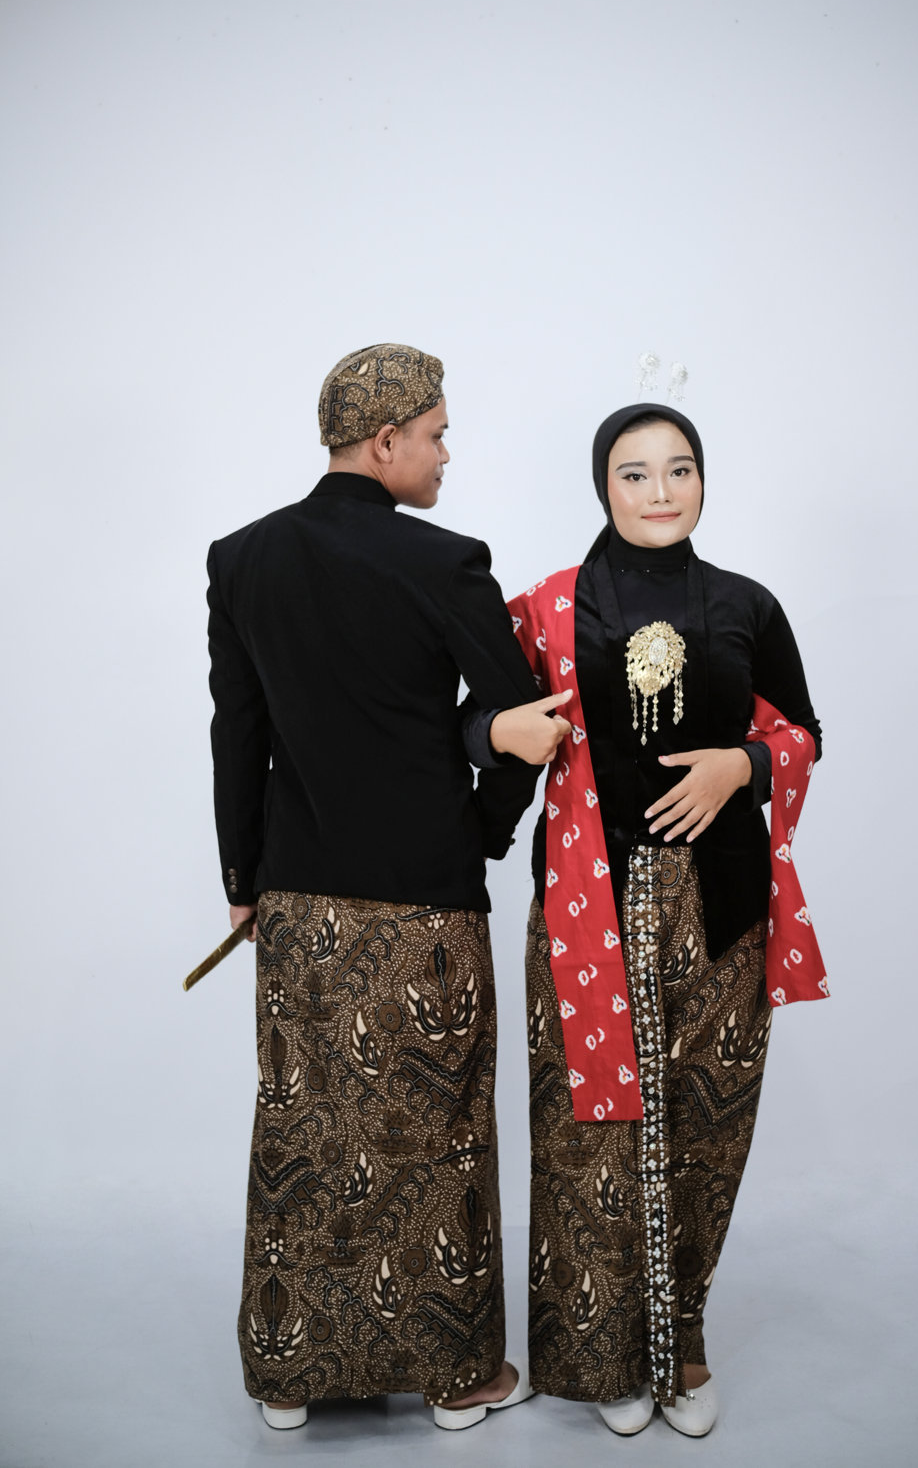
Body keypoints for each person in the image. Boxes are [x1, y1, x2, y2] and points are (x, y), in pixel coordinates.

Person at [206, 343, 568, 1432]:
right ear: (386, 439)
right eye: (438, 434)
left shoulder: (241, 557)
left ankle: (289, 1376)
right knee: (437, 1130)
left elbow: (239, 734)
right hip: (425, 901)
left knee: (302, 1128)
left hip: (297, 896)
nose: (447, 454)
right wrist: (479, 832)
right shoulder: (445, 561)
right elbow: (528, 722)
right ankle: (457, 1380)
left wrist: (242, 878)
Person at [474, 403, 827, 1438]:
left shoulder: (748, 605)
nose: (661, 491)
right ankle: (602, 1355)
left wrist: (742, 765)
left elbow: (804, 732)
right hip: (589, 903)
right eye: (635, 473)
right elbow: (486, 726)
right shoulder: (546, 608)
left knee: (709, 1124)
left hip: (720, 904)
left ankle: (685, 1337)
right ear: (603, 486)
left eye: (680, 469)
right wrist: (488, 747)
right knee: (589, 1132)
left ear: (704, 481)